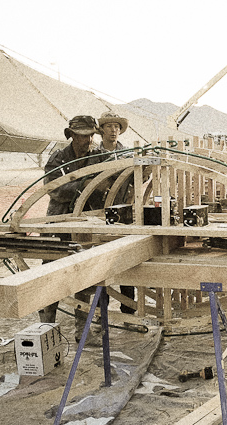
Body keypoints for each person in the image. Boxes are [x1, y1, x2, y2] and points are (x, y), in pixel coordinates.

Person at [39, 115, 109, 340]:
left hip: (86, 225)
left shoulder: (99, 157)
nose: (87, 140)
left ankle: (83, 331)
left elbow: (118, 165)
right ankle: (46, 329)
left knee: (84, 276)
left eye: (90, 135)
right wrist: (84, 185)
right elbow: (54, 190)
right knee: (52, 273)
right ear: (71, 136)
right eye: (82, 136)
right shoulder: (58, 159)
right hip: (58, 223)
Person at [96, 111, 136, 314]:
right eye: (110, 126)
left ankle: (128, 309)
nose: (114, 130)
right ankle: (99, 311)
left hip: (121, 215)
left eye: (117, 127)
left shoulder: (128, 154)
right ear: (101, 129)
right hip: (96, 215)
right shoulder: (93, 154)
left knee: (125, 260)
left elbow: (135, 180)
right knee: (97, 263)